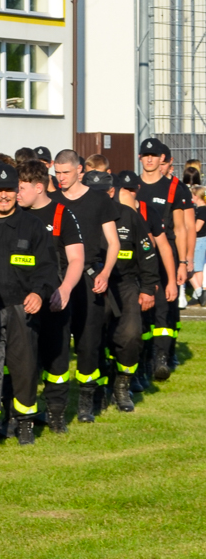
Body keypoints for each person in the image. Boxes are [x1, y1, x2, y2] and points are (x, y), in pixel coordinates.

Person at [0, 163, 59, 444]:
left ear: (17, 190)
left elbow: (48, 267)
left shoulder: (33, 225)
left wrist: (38, 292)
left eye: (8, 190)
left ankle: (24, 422)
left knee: (24, 367)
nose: (3, 195)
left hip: (22, 308)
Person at [14, 161, 85, 432]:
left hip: (55, 300)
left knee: (57, 359)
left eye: (21, 188)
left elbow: (76, 258)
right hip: (22, 302)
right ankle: (20, 415)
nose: (16, 194)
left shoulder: (61, 214)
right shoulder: (14, 216)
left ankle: (56, 412)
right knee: (23, 361)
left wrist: (65, 289)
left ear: (39, 187)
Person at [51, 149, 120, 422]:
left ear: (80, 170)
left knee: (88, 343)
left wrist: (105, 272)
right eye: (57, 173)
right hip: (58, 278)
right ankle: (55, 403)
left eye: (65, 172)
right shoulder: (52, 201)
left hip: (90, 277)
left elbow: (113, 242)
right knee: (56, 340)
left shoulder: (99, 200)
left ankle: (86, 401)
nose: (60, 178)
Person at [134, 138, 190, 380]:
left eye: (154, 156)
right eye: (145, 155)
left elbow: (180, 228)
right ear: (140, 158)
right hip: (138, 256)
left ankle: (161, 357)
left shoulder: (173, 188)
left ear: (162, 159)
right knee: (140, 308)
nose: (149, 159)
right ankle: (144, 359)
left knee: (164, 306)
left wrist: (183, 263)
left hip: (166, 254)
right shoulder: (133, 186)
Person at [109, 171, 163, 409]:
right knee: (93, 340)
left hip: (126, 283)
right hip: (93, 285)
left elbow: (147, 253)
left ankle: (123, 385)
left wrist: (149, 288)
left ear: (112, 192)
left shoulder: (129, 216)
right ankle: (96, 392)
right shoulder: (83, 216)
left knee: (131, 335)